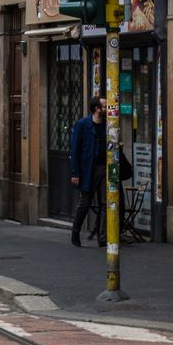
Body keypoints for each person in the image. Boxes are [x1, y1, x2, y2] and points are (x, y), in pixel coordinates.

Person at [69, 96, 106, 248]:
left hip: (105, 168)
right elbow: (75, 149)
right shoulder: (83, 124)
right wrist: (75, 173)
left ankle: (103, 237)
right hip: (88, 170)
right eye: (104, 106)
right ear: (97, 109)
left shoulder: (110, 125)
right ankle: (75, 231)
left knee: (106, 203)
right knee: (85, 203)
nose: (107, 108)